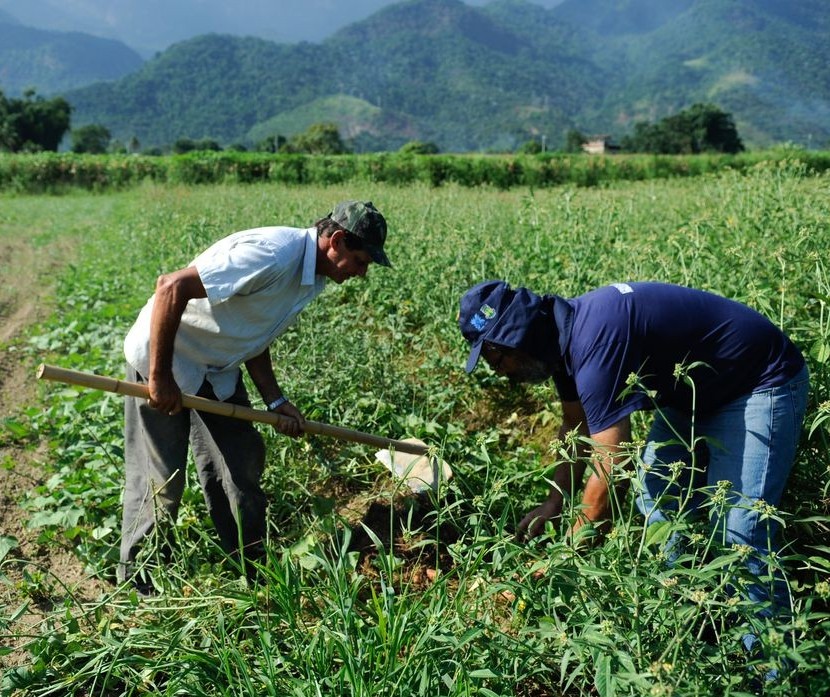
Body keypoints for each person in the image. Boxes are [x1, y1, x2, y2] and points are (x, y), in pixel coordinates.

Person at [458, 279, 808, 627]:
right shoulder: (558, 342)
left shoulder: (594, 340)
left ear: (518, 336)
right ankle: (685, 615)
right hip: (691, 395)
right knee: (657, 500)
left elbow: (612, 465)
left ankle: (768, 667)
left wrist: (564, 559)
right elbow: (575, 426)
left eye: (494, 357)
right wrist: (555, 501)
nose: (498, 372)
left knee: (739, 533)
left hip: (758, 382)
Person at [118, 200, 391, 590]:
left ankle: (252, 570)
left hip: (216, 368)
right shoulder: (273, 255)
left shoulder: (311, 278)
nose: (362, 273)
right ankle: (138, 584)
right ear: (339, 241)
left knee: (240, 464)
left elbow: (254, 333)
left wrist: (276, 401)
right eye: (362, 261)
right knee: (161, 480)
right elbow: (171, 286)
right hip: (165, 358)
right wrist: (160, 377)